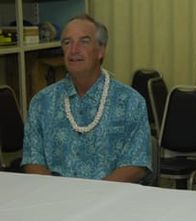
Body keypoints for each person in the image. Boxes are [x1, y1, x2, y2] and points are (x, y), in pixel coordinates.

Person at [21, 15, 152, 183]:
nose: (74, 50)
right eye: (67, 42)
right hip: (54, 200)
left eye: (84, 41)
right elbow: (32, 160)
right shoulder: (41, 102)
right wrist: (54, 196)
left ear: (101, 50)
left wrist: (92, 196)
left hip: (110, 200)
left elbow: (136, 165)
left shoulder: (130, 102)